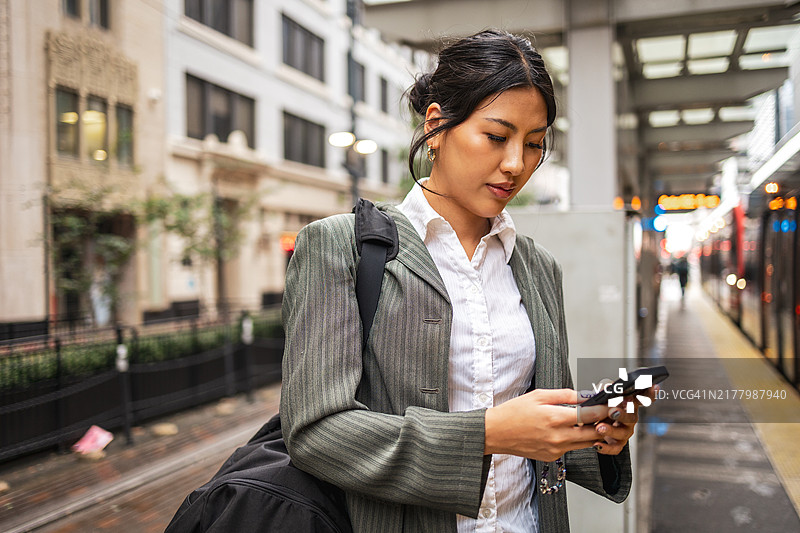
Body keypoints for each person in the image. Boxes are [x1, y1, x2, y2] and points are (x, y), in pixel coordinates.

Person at [281, 29, 652, 533]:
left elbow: (541, 432)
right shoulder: (340, 246)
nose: (516, 164)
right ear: (437, 126)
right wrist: (485, 435)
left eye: (534, 144)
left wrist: (595, 432)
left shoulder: (538, 266)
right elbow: (314, 433)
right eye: (497, 137)